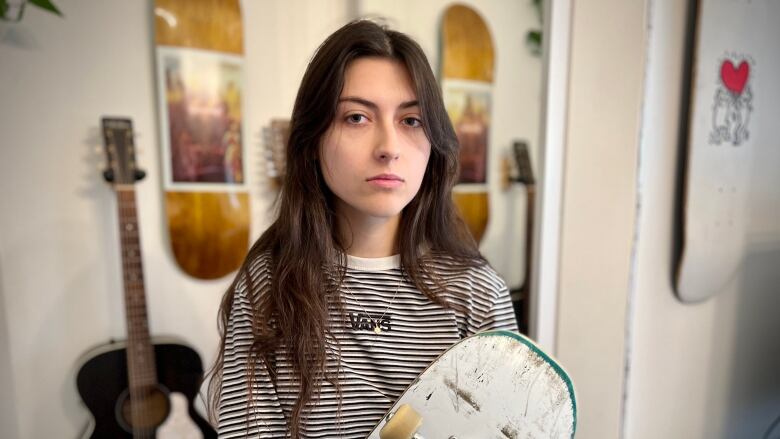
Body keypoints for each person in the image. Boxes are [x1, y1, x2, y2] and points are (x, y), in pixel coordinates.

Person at [208, 19, 518, 438]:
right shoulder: (268, 286)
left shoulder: (476, 293)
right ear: (312, 141)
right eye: (356, 117)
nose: (388, 147)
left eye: (411, 120)